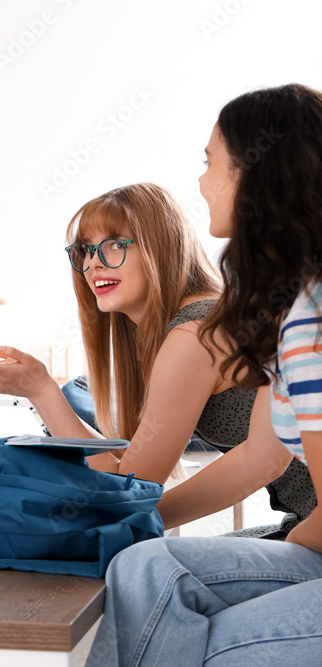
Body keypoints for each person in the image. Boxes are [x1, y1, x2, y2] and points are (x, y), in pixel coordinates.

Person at [86, 82, 322, 666]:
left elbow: (139, 470)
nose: (201, 182)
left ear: (258, 174)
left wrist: (287, 554)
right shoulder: (296, 305)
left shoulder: (306, 322)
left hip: (313, 535)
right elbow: (258, 458)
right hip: (308, 530)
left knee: (179, 623)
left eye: (210, 162)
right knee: (144, 572)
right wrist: (140, 523)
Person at [0, 182, 313, 531]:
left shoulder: (192, 336)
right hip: (302, 523)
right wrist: (40, 390)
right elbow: (124, 472)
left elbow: (128, 488)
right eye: (85, 250)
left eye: (112, 245)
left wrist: (43, 390)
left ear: (161, 249)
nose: (93, 263)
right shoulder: (186, 326)